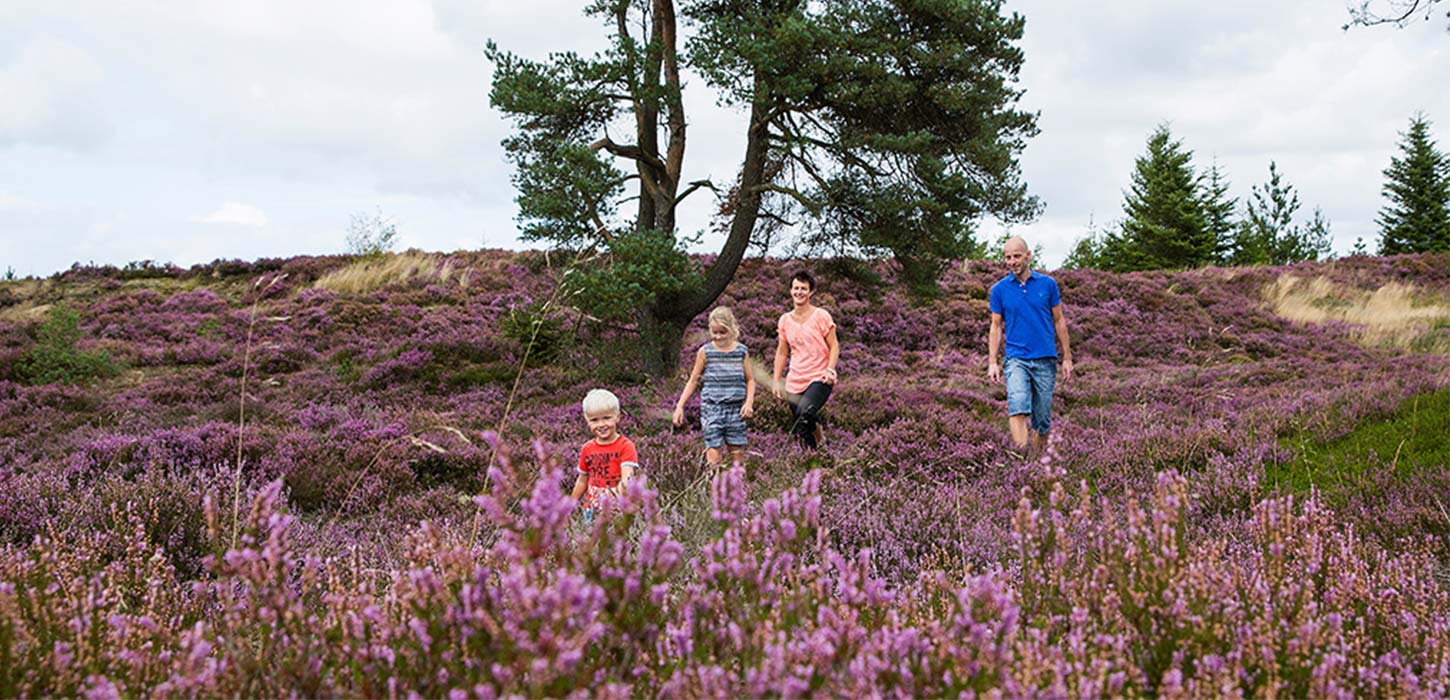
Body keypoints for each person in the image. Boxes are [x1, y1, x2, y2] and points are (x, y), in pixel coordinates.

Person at [986, 236, 1073, 452]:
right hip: (1016, 358)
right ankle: (1022, 459)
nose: (1012, 261)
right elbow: (995, 326)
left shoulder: (1048, 285)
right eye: (1008, 257)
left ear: (1028, 255)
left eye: (1016, 256)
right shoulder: (999, 290)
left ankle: (1036, 461)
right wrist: (992, 362)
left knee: (1042, 421)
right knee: (1017, 405)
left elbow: (1059, 320)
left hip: (1045, 358)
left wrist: (1067, 358)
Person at [673, 307, 757, 469]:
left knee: (737, 457)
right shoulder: (705, 352)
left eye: (722, 332)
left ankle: (737, 491)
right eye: (714, 332)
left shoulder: (741, 351)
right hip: (712, 409)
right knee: (713, 456)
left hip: (736, 410)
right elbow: (693, 380)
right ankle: (715, 490)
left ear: (732, 329)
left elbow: (750, 380)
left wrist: (749, 403)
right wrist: (679, 406)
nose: (718, 337)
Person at [772, 271, 839, 450]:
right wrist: (777, 380)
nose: (799, 292)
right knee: (801, 428)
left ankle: (821, 440)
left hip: (820, 376)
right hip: (795, 379)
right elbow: (781, 352)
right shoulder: (785, 320)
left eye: (804, 289)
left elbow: (834, 346)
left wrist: (830, 370)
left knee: (806, 413)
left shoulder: (821, 316)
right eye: (796, 288)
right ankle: (814, 460)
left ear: (811, 292)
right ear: (790, 291)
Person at [570, 388, 639, 522]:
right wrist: (569, 506)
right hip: (591, 510)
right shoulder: (587, 448)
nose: (601, 425)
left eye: (606, 418)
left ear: (617, 417)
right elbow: (582, 480)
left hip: (617, 508)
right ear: (587, 421)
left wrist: (613, 496)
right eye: (594, 420)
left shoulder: (626, 446)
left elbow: (627, 479)